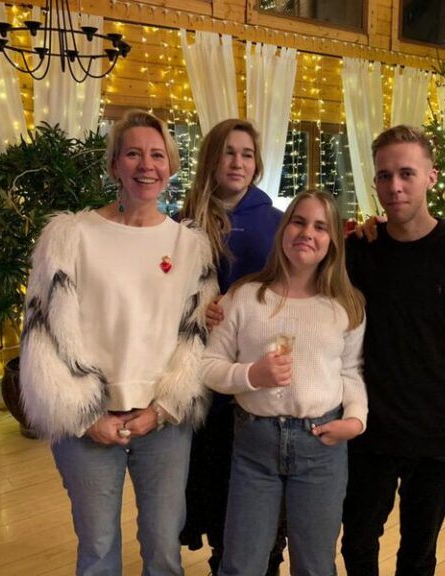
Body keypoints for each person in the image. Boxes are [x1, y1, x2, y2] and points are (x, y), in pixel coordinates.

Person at [19, 109, 218, 576]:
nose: (146, 165)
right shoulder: (70, 236)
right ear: (114, 165)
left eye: (157, 155)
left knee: (164, 547)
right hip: (86, 420)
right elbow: (40, 336)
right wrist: (86, 416)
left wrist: (163, 409)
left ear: (170, 165)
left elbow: (196, 340)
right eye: (133, 154)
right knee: (98, 549)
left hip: (163, 421)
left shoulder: (191, 246)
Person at [341, 125, 445, 576]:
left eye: (406, 173)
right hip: (369, 425)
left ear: (431, 176)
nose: (395, 186)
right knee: (357, 541)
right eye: (384, 175)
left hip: (439, 430)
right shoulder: (358, 250)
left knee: (419, 550)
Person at [202, 190, 368, 576]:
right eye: (299, 221)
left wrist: (357, 419)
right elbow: (208, 365)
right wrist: (250, 376)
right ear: (282, 229)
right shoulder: (244, 296)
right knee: (241, 564)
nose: (307, 233)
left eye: (320, 227)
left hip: (321, 447)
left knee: (314, 565)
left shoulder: (346, 306)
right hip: (254, 445)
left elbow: (351, 371)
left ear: (333, 241)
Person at [177, 118, 285, 575]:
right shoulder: (186, 223)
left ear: (257, 164)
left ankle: (269, 559)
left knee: (263, 488)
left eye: (247, 154)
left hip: (261, 377)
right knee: (220, 485)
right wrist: (194, 309)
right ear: (211, 159)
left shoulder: (277, 222)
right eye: (229, 152)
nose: (238, 162)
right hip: (207, 381)